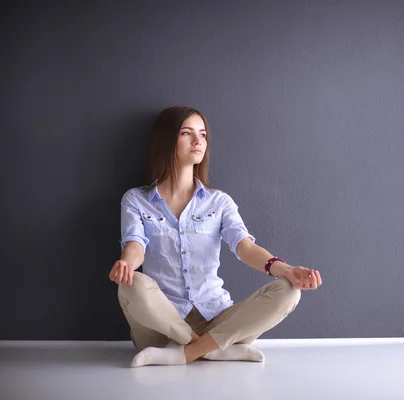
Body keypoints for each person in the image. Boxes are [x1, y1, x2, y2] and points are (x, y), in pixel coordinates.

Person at [108, 106, 323, 367]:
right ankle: (214, 348)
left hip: (217, 317)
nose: (198, 141)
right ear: (166, 140)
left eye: (203, 134)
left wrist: (287, 269)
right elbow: (135, 245)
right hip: (161, 325)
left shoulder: (219, 202)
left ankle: (186, 353)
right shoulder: (136, 199)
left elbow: (245, 248)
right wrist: (126, 265)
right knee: (131, 285)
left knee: (289, 291)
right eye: (187, 133)